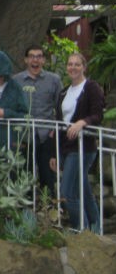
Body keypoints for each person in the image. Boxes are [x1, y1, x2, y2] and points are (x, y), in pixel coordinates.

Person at [51, 53, 104, 230]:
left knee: (67, 192)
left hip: (83, 147)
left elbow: (97, 115)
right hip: (67, 147)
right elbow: (59, 124)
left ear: (84, 67)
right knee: (83, 189)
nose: (73, 67)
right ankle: (95, 228)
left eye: (77, 64)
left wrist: (82, 122)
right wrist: (55, 153)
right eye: (70, 64)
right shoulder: (64, 92)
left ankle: (81, 230)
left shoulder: (91, 88)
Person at [12, 45, 62, 193]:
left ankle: (48, 205)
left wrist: (55, 129)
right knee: (24, 176)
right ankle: (25, 205)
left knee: (48, 177)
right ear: (26, 60)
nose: (35, 60)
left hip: (47, 135)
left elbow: (61, 106)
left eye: (39, 56)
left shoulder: (54, 80)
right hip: (24, 136)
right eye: (32, 56)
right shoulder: (16, 80)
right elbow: (12, 106)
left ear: (44, 60)